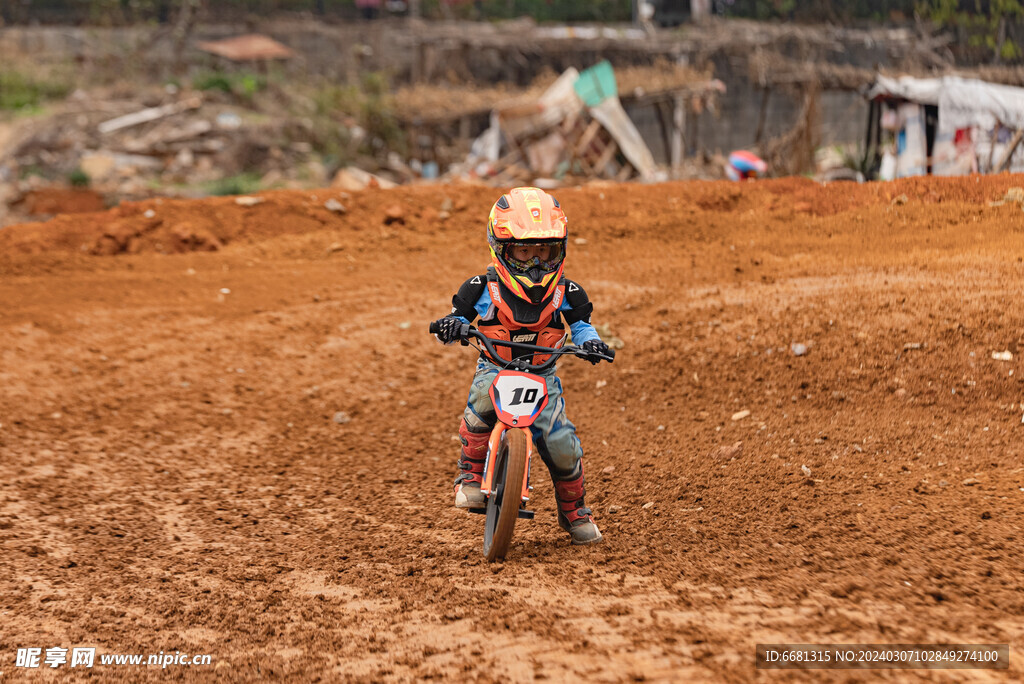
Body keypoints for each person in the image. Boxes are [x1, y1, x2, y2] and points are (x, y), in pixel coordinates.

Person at [431, 187, 611, 545]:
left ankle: (575, 512)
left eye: (545, 251)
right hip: (495, 367)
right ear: (501, 248)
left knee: (562, 444)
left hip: (543, 376)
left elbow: (581, 325)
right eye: (525, 252)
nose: (536, 263)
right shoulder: (481, 288)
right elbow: (452, 322)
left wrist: (591, 342)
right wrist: (451, 327)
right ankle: (469, 477)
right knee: (481, 403)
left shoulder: (568, 291)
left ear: (559, 249)